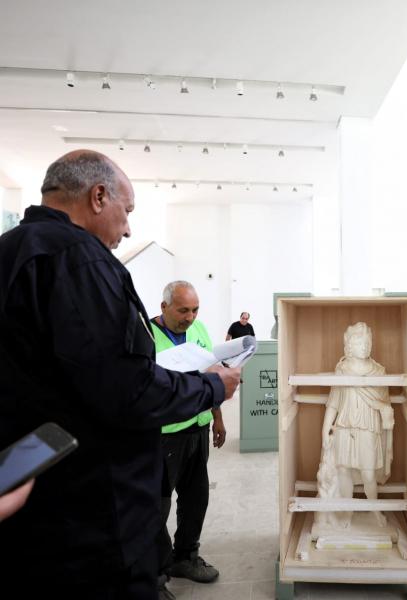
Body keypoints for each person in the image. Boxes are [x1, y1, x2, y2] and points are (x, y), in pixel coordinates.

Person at [0, 150, 241, 598]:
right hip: (92, 520)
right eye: (126, 212)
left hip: (31, 503)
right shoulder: (80, 261)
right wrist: (212, 386)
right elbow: (127, 391)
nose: (128, 228)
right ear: (97, 197)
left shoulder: (10, 251)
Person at [150, 281, 224, 593]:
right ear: (164, 306)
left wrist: (217, 417)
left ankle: (185, 557)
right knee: (157, 508)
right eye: (183, 310)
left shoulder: (199, 330)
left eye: (195, 309)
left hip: (198, 429)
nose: (190, 316)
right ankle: (154, 576)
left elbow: (210, 371)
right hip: (165, 435)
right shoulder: (146, 336)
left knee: (196, 499)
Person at [320, 322, 394, 528]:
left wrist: (384, 410)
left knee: (368, 473)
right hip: (345, 426)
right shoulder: (342, 369)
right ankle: (347, 512)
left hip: (369, 428)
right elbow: (334, 400)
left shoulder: (379, 371)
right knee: (343, 471)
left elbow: (385, 402)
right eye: (361, 342)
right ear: (350, 345)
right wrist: (325, 428)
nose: (366, 345)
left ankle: (374, 509)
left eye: (368, 341)